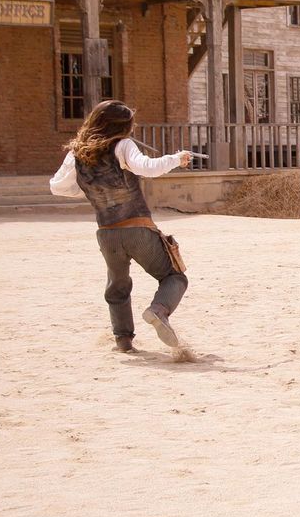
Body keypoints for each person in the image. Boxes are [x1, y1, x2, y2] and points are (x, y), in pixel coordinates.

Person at [48, 99, 192, 353]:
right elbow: (147, 168)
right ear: (122, 127)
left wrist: (89, 187)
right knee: (174, 276)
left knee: (117, 286)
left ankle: (123, 341)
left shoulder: (77, 154)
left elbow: (57, 187)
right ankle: (158, 310)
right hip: (137, 228)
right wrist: (176, 158)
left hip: (106, 234)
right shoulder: (123, 145)